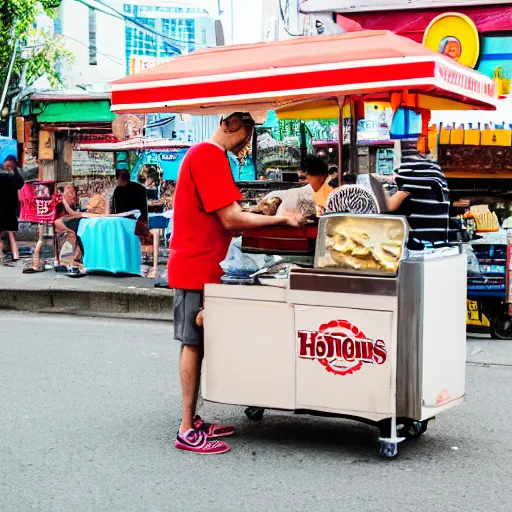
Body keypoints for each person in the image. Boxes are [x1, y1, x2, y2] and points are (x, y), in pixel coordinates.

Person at [169, 112, 301, 455]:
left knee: (202, 342)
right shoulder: (207, 154)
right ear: (228, 124)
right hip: (195, 266)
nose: (245, 143)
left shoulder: (211, 157)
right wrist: (279, 218)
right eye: (245, 134)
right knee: (193, 343)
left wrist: (260, 209)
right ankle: (186, 427)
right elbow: (231, 219)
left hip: (208, 265)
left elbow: (230, 210)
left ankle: (193, 419)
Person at [387, 140, 451, 249]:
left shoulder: (412, 169)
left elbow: (389, 206)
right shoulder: (434, 168)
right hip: (440, 242)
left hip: (423, 246)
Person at [0, 156, 25, 263]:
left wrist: (12, 170)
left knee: (10, 233)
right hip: (6, 207)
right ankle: (11, 255)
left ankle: (14, 256)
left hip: (9, 207)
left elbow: (20, 185)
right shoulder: (5, 173)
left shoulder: (15, 174)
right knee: (9, 233)